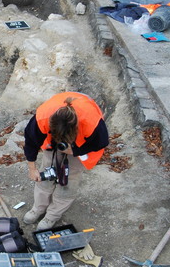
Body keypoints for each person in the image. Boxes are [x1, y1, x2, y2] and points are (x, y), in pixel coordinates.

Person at [22, 92, 109, 230]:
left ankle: (52, 215)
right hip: (53, 141)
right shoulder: (43, 117)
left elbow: (100, 142)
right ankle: (38, 208)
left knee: (68, 181)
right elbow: (31, 142)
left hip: (79, 146)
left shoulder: (91, 122)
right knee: (45, 173)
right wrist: (32, 169)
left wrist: (75, 151)